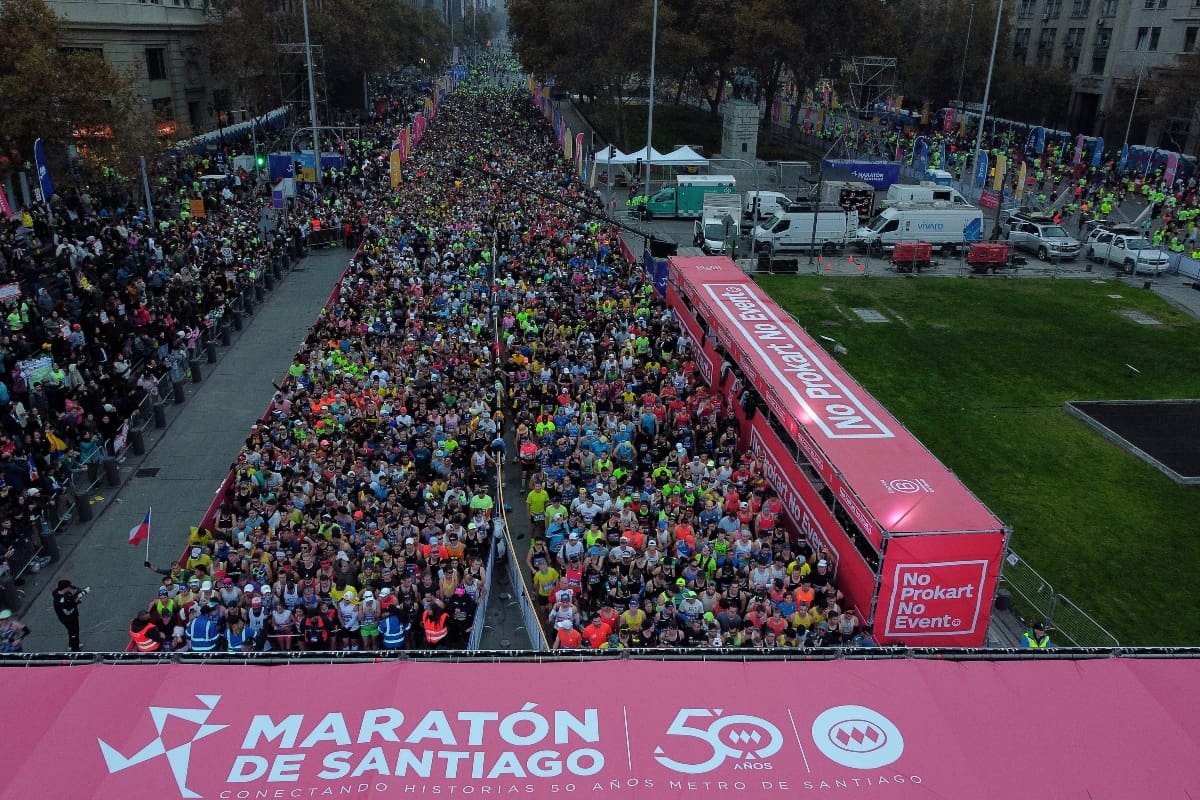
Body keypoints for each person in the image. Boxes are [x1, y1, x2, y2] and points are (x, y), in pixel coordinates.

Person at [53, 578, 84, 651]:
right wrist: (76, 602)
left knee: (75, 630)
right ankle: (74, 647)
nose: (69, 588)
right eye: (68, 587)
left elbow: (71, 600)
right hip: (67, 618)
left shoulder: (67, 593)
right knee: (72, 631)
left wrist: (76, 599)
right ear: (64, 588)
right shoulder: (59, 601)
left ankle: (73, 643)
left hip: (73, 615)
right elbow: (67, 610)